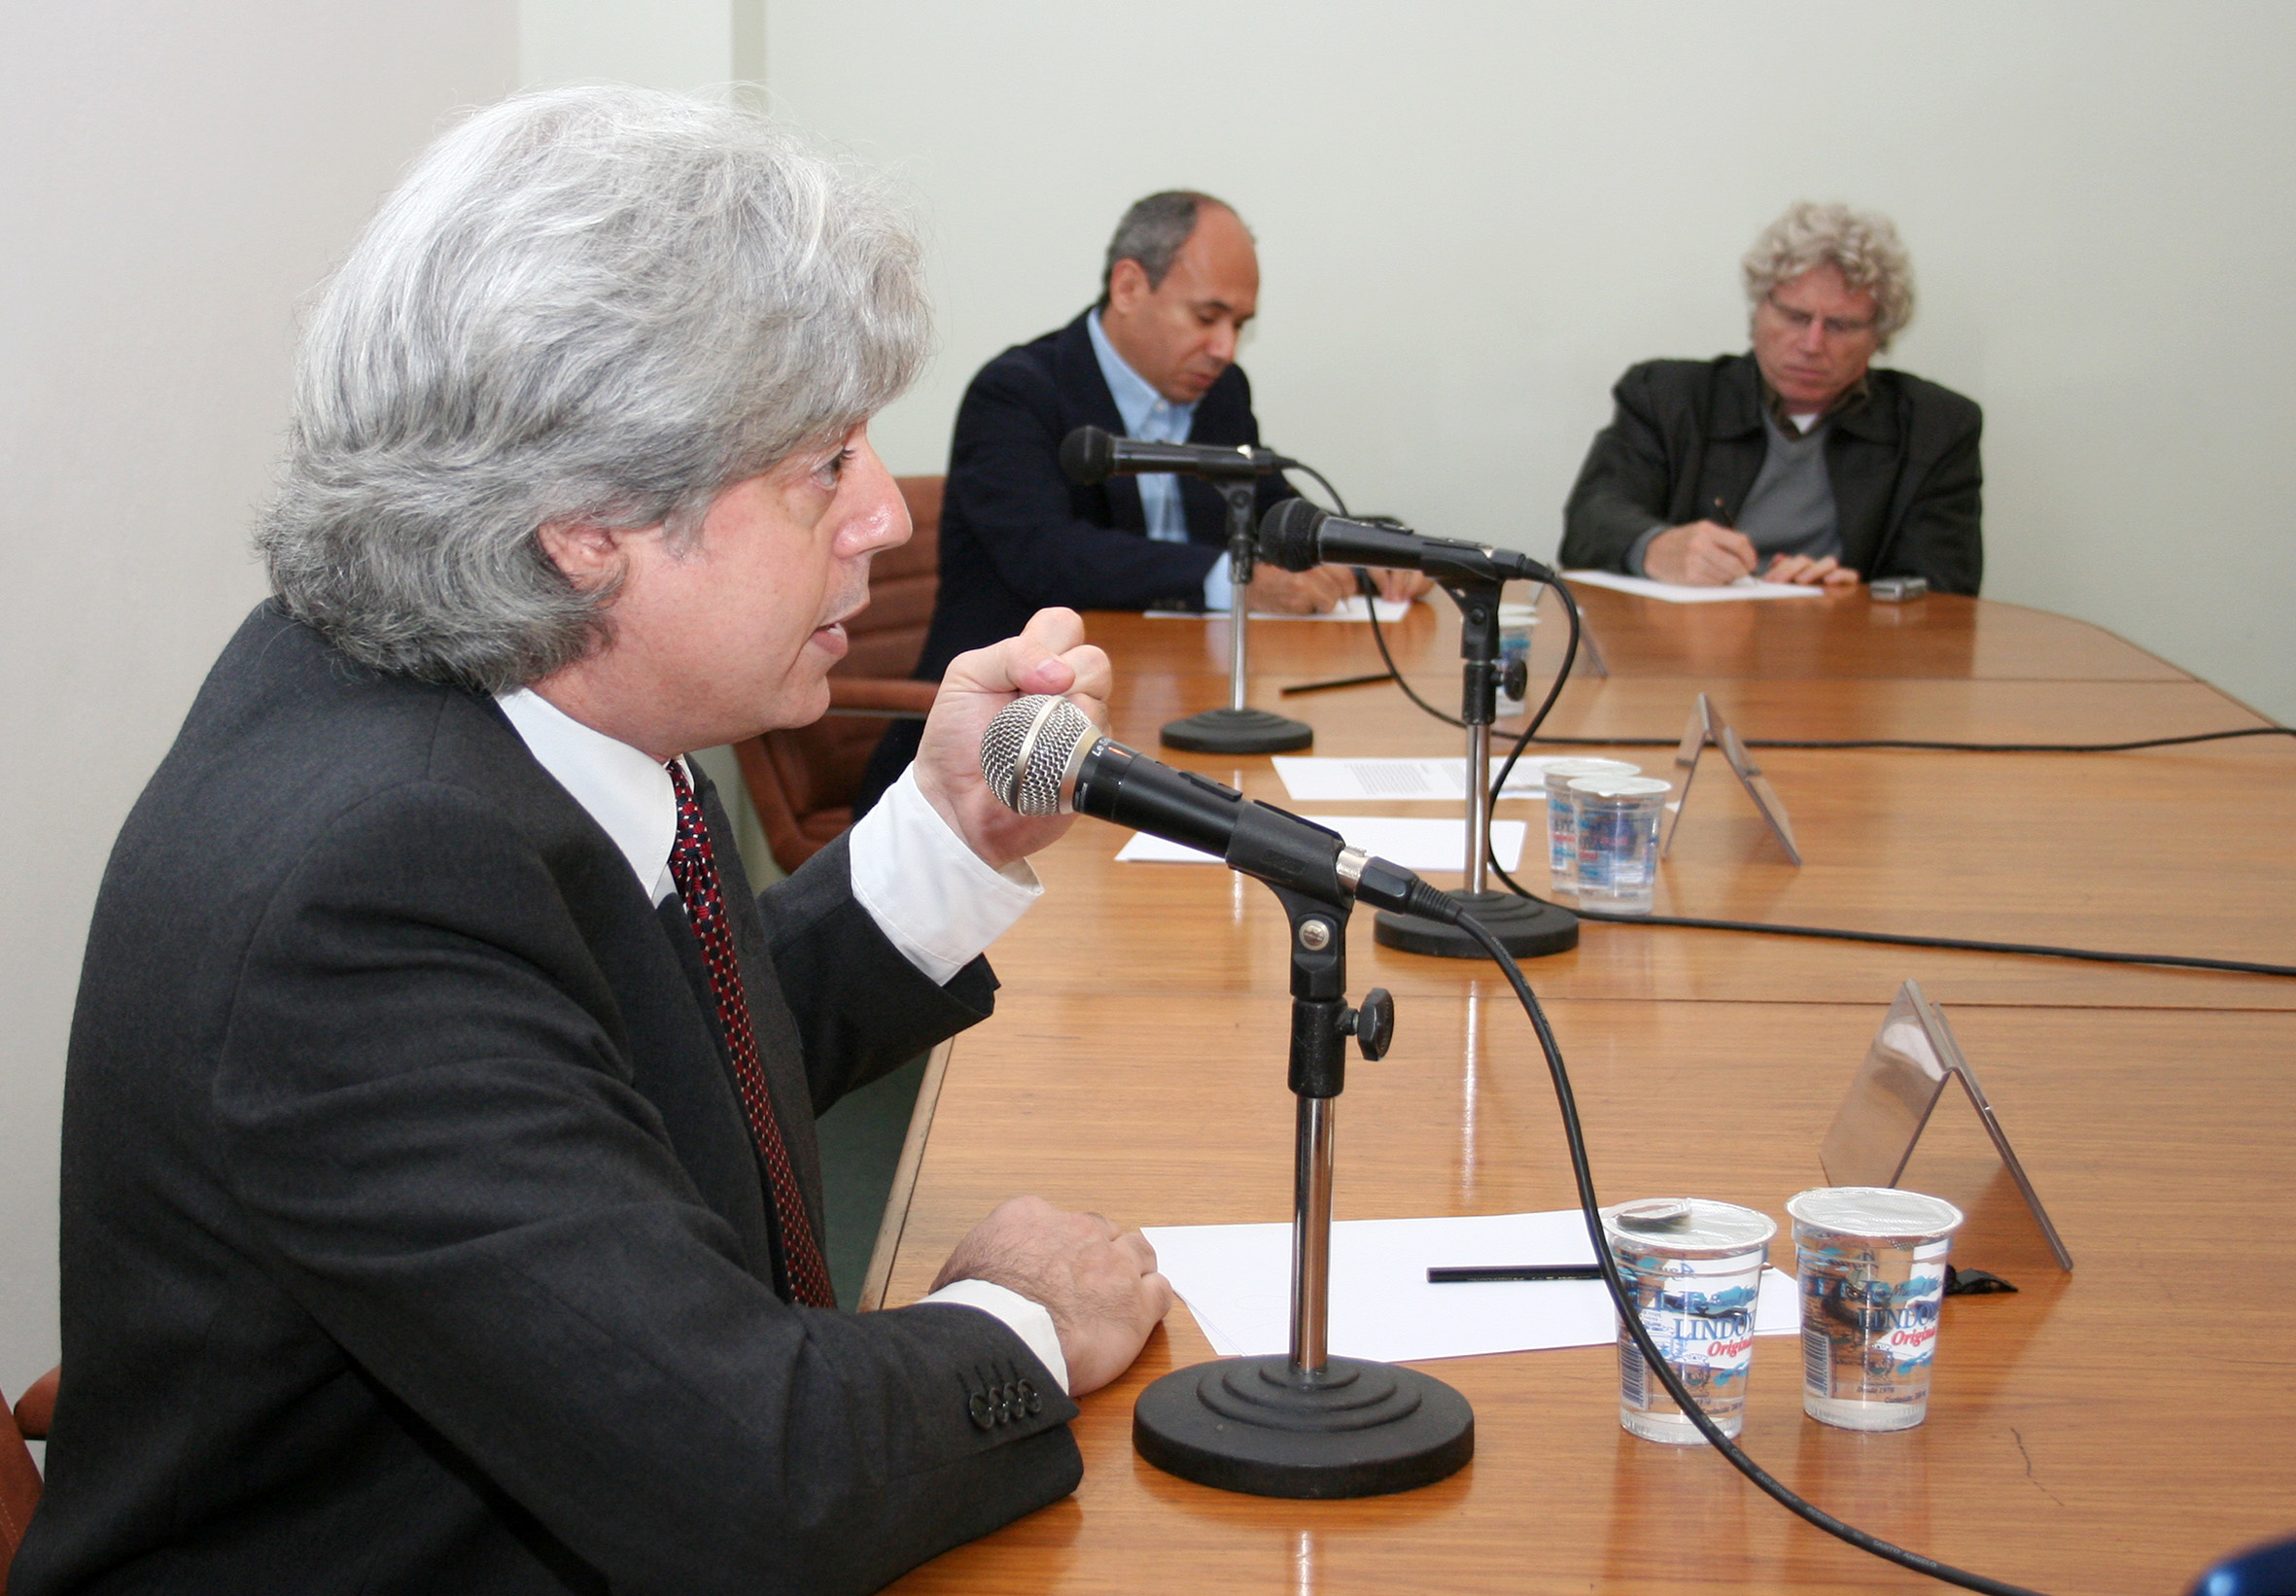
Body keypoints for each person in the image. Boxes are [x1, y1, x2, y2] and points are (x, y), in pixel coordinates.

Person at [15, 88, 1171, 1596]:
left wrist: (949, 832)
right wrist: (1013, 1322)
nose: (884, 514)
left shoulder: (500, 697)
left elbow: (644, 1065)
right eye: (822, 462)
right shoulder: (363, 887)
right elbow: (753, 1484)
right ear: (583, 518)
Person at [853, 191, 1426, 815]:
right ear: (1129, 287)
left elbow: (1271, 509)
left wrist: (1377, 550)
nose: (1225, 348)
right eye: (1208, 318)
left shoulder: (1221, 393)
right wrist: (1229, 581)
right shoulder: (1017, 393)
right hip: (1009, 748)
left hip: (1172, 713)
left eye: (1239, 325)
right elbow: (1048, 556)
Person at [1560, 201, 1982, 594]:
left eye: (1840, 326)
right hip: (1687, 650)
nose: (1812, 344)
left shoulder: (1934, 426)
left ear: (1879, 336)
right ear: (1758, 310)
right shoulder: (1668, 396)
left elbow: (1945, 587)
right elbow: (1590, 522)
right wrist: (1656, 548)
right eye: (1796, 317)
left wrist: (1852, 597)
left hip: (1847, 657)